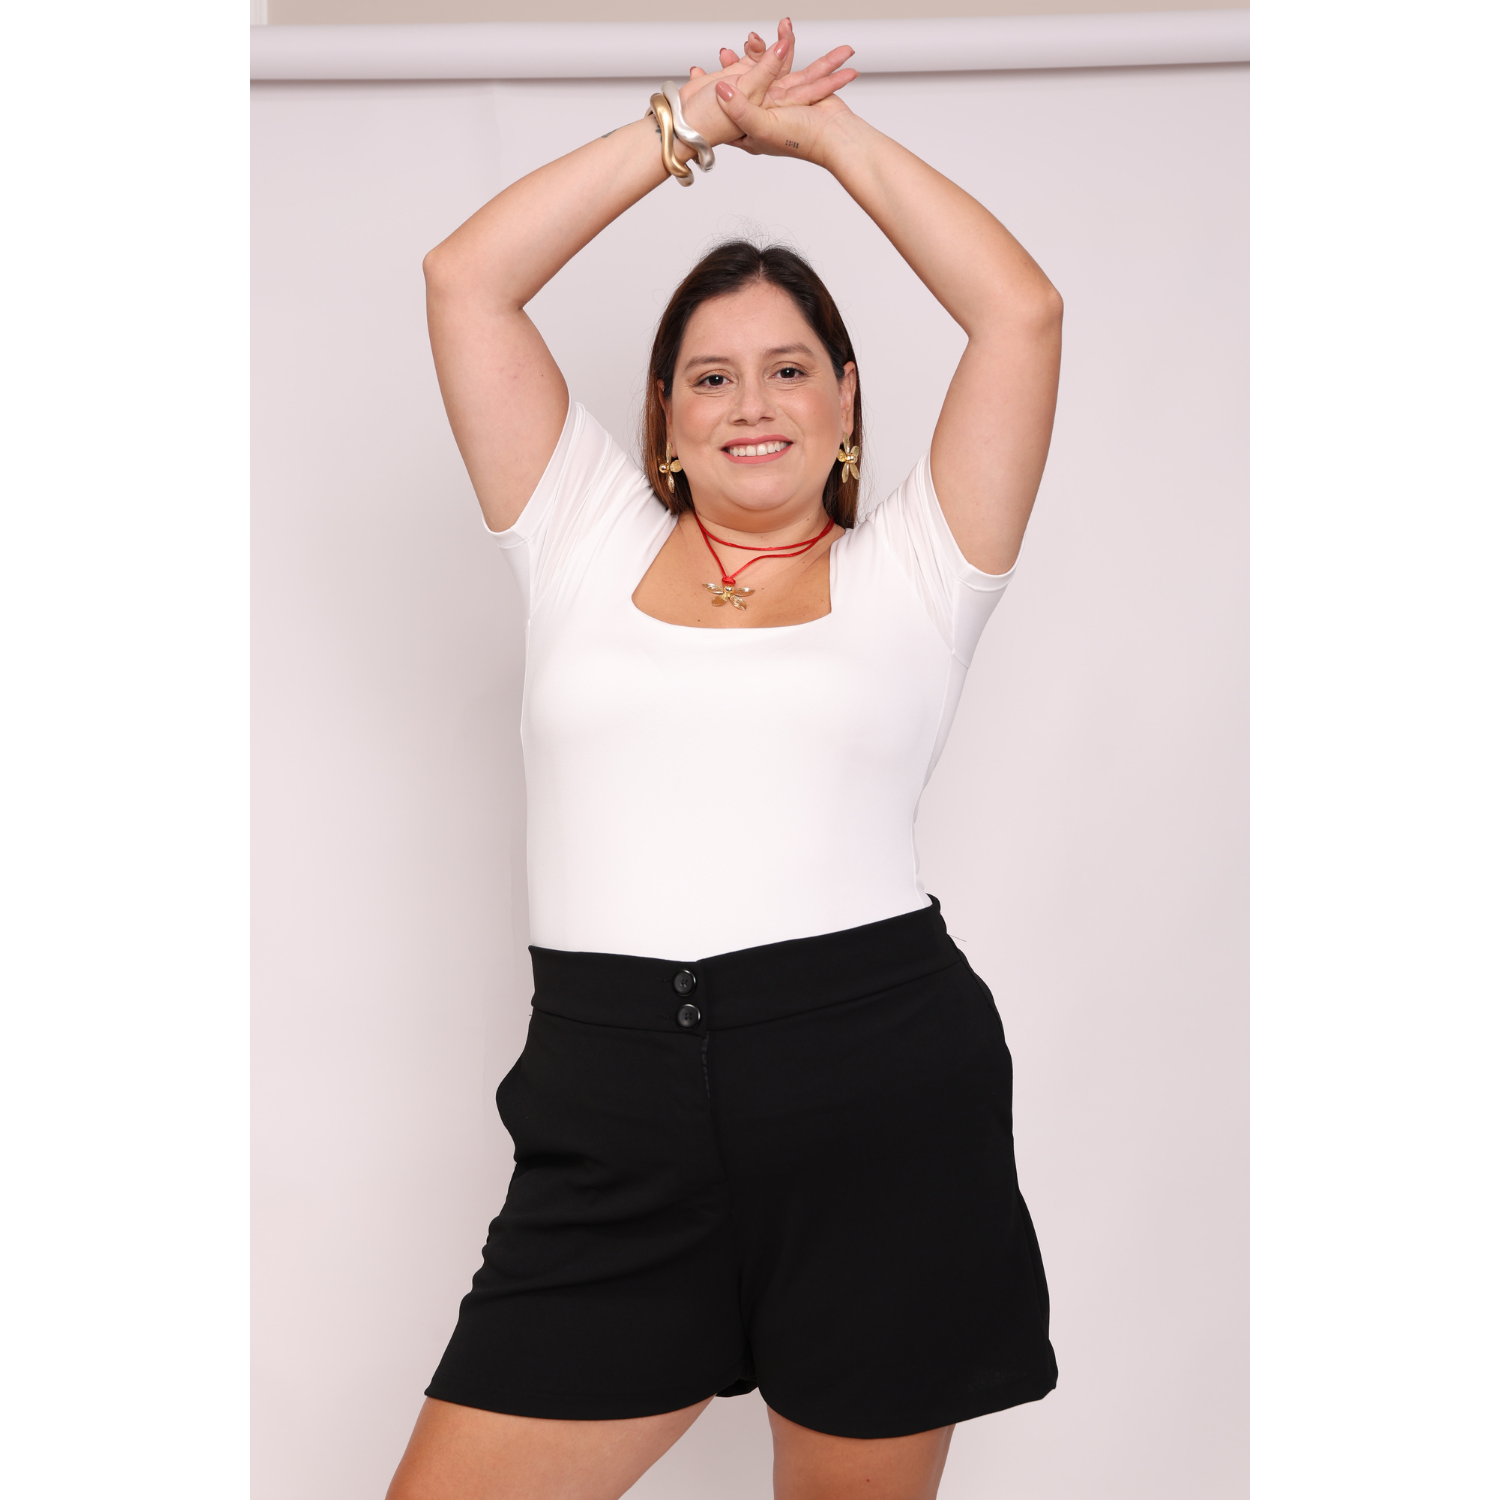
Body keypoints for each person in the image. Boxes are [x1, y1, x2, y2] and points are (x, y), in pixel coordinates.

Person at [388, 18, 1064, 1500]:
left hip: (877, 1099)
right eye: (709, 378)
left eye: (788, 369)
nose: (751, 402)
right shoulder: (579, 536)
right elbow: (465, 279)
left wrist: (822, 137)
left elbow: (1019, 313)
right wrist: (687, 128)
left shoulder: (920, 574)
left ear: (844, 406)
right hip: (607, 1107)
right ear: (667, 422)